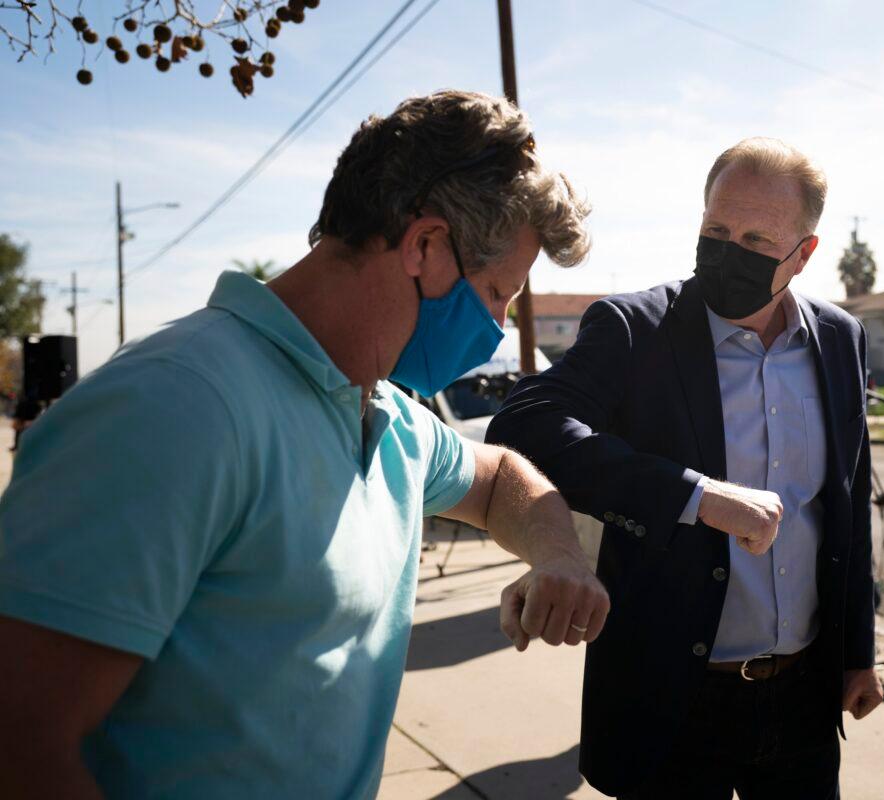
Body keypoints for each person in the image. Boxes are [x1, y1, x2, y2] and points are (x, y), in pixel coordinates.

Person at [0, 90, 608, 798]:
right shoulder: (176, 407)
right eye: (498, 292)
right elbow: (21, 741)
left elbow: (501, 478)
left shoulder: (384, 413)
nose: (497, 326)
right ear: (425, 246)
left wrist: (560, 556)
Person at [487, 137, 881, 799]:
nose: (729, 250)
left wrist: (858, 654)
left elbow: (847, 502)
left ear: (803, 253)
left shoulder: (840, 337)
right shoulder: (635, 327)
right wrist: (695, 496)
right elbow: (526, 427)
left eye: (757, 239)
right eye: (716, 230)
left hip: (804, 698)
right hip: (673, 698)